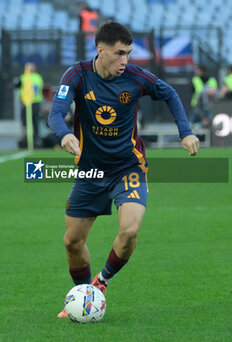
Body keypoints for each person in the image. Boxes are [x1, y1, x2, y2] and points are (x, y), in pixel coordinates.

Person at [48, 20, 199, 318]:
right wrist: (64, 133)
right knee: (72, 242)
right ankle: (84, 297)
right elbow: (56, 112)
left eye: (128, 53)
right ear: (100, 49)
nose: (125, 61)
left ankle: (100, 284)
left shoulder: (135, 77)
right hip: (91, 171)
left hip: (128, 167)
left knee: (129, 231)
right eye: (119, 53)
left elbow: (169, 93)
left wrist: (186, 131)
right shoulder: (77, 75)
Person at [16, 62, 44, 147]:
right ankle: (30, 139)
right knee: (30, 122)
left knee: (30, 122)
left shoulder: (24, 77)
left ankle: (33, 139)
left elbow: (17, 85)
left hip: (31, 103)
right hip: (29, 103)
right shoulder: (37, 77)